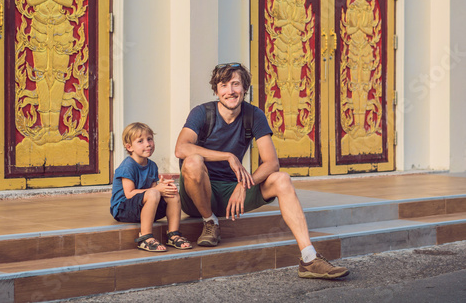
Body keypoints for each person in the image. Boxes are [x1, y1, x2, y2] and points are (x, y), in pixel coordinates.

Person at [175, 63, 349, 279]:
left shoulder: (253, 115)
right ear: (216, 90)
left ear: (244, 88)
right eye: (224, 85)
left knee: (281, 179)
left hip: (231, 192)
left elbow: (271, 163)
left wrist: (243, 184)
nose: (230, 91)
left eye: (235, 84)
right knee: (192, 162)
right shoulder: (202, 113)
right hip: (199, 194)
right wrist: (228, 156)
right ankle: (210, 221)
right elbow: (181, 148)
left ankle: (309, 258)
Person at [111, 122, 192, 252]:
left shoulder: (152, 165)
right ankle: (145, 237)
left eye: (149, 139)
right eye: (140, 141)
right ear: (129, 147)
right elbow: (129, 194)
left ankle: (173, 234)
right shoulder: (127, 166)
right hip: (123, 209)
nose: (147, 144)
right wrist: (156, 190)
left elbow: (154, 191)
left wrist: (163, 187)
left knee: (172, 192)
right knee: (154, 193)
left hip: (144, 206)